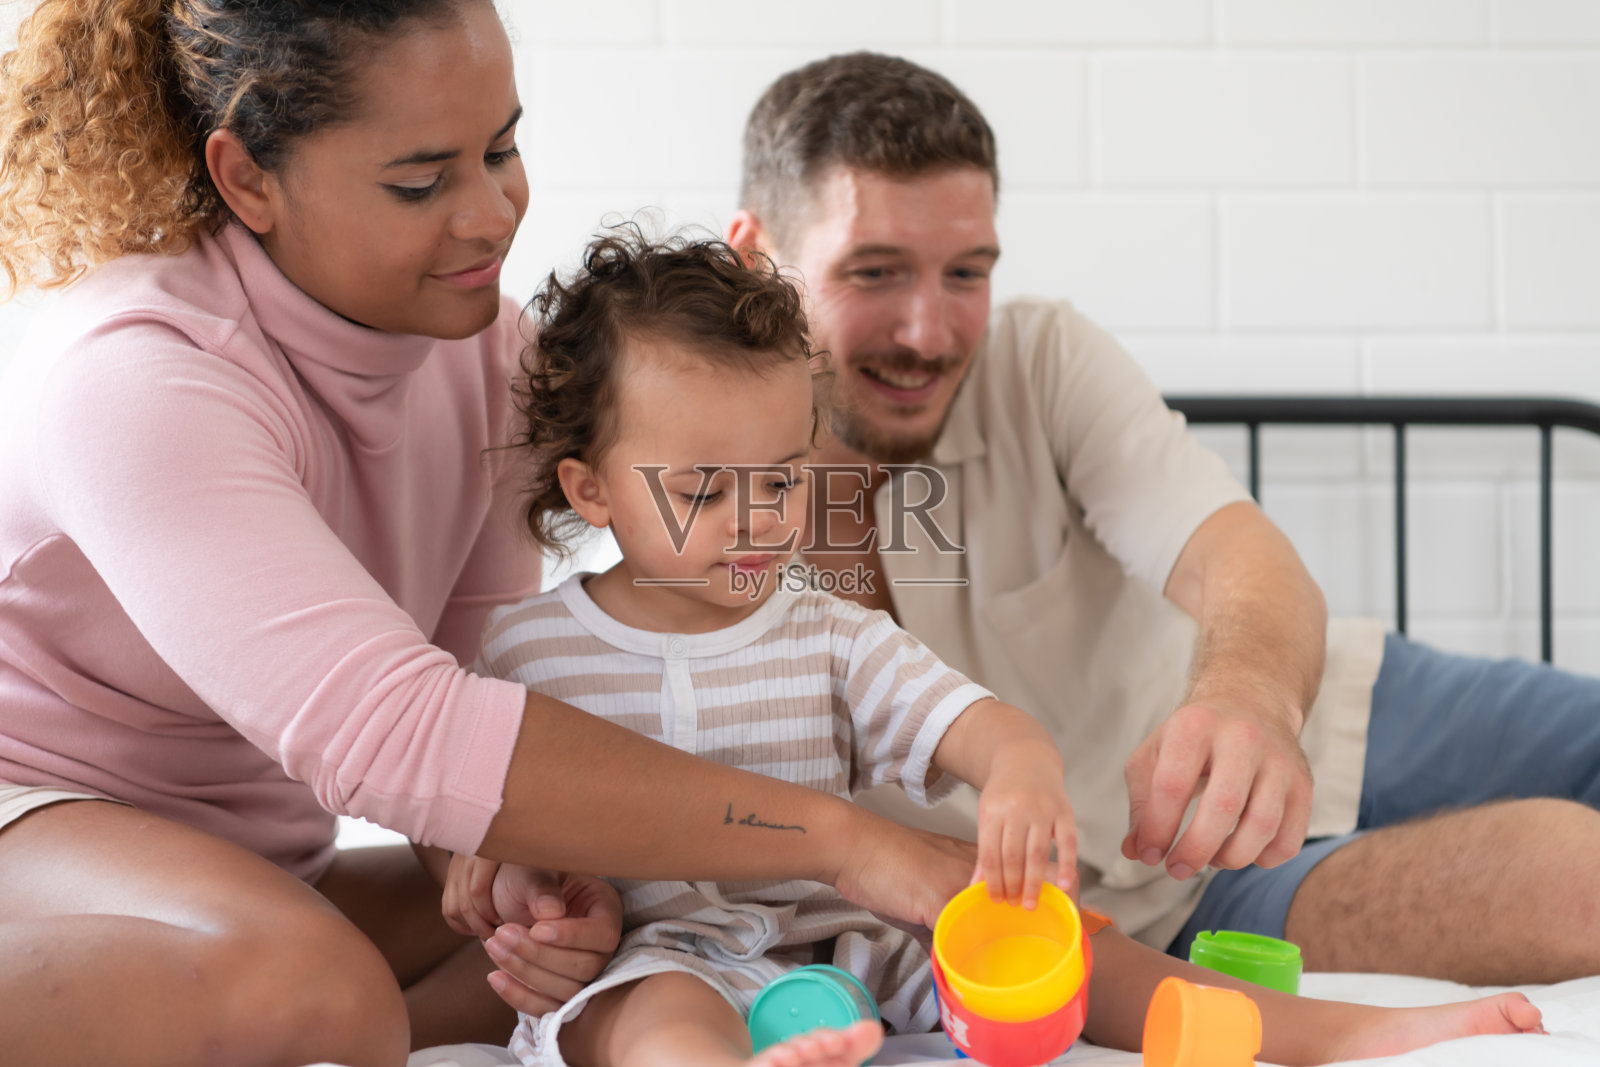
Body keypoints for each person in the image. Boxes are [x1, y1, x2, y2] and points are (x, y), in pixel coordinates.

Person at [0, 9, 979, 1066]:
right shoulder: (138, 372)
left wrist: (502, 874)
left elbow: (472, 692)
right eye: (421, 182)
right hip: (34, 822)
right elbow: (397, 730)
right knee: (316, 985)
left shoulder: (484, 358)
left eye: (501, 149)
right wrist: (845, 839)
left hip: (254, 860)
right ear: (248, 179)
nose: (491, 213)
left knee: (620, 930)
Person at [461, 227, 1541, 1067]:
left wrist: (1020, 777)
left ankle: (1329, 1032)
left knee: (1067, 946)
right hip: (660, 955)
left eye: (784, 478)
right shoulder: (525, 649)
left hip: (847, 936)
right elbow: (466, 816)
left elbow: (974, 723)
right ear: (591, 488)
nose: (758, 518)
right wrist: (518, 886)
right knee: (649, 1021)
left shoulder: (825, 634)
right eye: (703, 488)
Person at [720, 51, 1600, 985]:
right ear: (754, 255)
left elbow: (1236, 553)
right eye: (875, 271)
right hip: (1178, 911)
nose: (930, 333)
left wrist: (1252, 698)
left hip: (1324, 704)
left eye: (967, 273)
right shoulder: (683, 530)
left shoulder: (1042, 358)